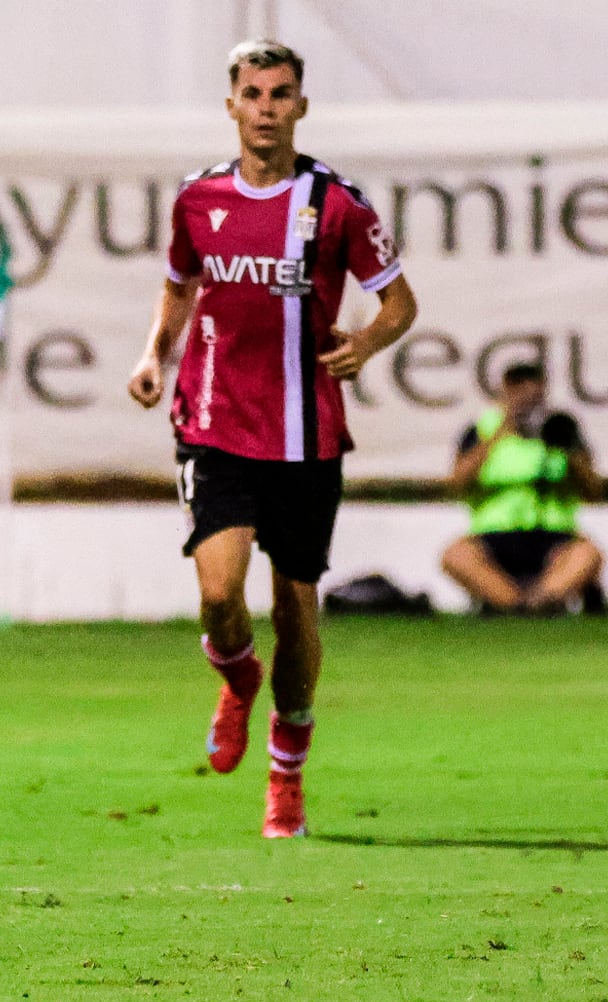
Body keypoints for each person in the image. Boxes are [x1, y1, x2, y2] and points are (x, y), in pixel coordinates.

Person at [125, 40, 419, 838]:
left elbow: (398, 305)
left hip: (306, 436)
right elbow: (180, 282)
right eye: (252, 93)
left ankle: (287, 765)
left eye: (280, 93)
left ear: (301, 106)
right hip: (214, 422)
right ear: (232, 106)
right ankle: (236, 674)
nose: (266, 107)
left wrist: (366, 342)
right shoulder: (197, 199)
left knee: (295, 608)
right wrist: (156, 352)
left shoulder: (339, 206)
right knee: (220, 595)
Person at [442, 363, 603, 613]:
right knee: (457, 555)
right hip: (494, 536)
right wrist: (499, 434)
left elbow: (591, 490)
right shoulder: (482, 429)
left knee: (587, 555)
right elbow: (458, 484)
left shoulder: (561, 428)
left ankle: (543, 599)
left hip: (553, 536)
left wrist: (565, 448)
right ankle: (513, 603)